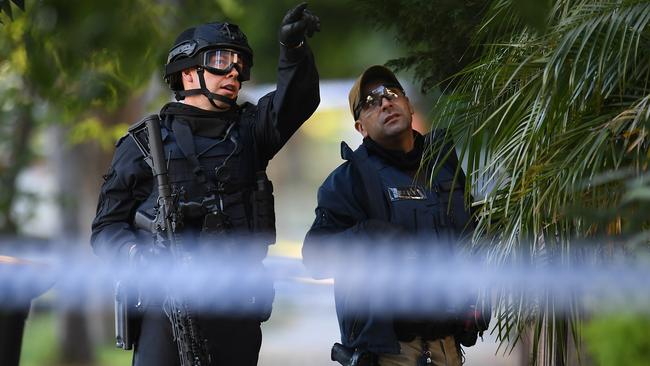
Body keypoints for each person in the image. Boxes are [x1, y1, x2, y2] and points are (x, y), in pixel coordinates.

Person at [91, 3, 320, 365]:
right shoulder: (141, 145)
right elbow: (106, 229)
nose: (232, 71)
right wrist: (141, 257)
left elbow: (298, 100)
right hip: (166, 309)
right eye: (218, 60)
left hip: (236, 306)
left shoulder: (250, 131)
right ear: (186, 73)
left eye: (239, 64)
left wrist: (293, 50)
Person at [302, 65, 487, 366]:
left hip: (448, 343)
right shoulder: (348, 182)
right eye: (371, 102)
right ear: (360, 127)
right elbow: (315, 258)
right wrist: (367, 235)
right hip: (392, 351)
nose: (385, 102)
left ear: (409, 105)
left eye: (391, 93)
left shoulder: (444, 167)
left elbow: (471, 235)